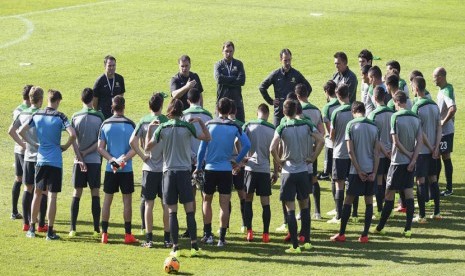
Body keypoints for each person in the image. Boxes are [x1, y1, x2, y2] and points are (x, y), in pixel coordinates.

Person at [145, 98, 211, 257]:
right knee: (189, 211)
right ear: (181, 111)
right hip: (184, 172)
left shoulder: (162, 128)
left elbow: (147, 147)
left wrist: (149, 130)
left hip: (168, 173)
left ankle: (175, 248)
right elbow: (207, 138)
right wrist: (201, 122)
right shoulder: (187, 126)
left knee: (172, 212)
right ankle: (194, 247)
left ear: (169, 111)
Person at [19, 89, 78, 240]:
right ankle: (50, 231)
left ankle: (31, 228)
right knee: (52, 196)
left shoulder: (37, 115)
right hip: (55, 162)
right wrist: (65, 146)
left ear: (48, 100)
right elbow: (72, 134)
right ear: (57, 101)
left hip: (40, 160)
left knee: (37, 194)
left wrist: (33, 144)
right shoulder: (60, 116)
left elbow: (20, 131)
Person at [195, 98, 251, 247]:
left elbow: (201, 150)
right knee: (224, 204)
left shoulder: (209, 124)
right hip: (226, 170)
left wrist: (198, 166)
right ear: (230, 110)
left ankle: (208, 235)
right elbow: (247, 145)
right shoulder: (234, 126)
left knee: (207, 201)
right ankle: (221, 238)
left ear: (217, 109)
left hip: (210, 170)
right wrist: (237, 160)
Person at [270, 100, 323, 253]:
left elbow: (272, 147)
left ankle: (294, 246)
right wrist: (312, 158)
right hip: (303, 171)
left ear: (284, 112)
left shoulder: (282, 127)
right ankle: (307, 241)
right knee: (305, 206)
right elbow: (321, 140)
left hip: (288, 172)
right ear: (296, 110)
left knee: (290, 210)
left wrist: (278, 161)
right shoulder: (306, 124)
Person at [372, 91, 422, 237]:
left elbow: (396, 142)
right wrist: (413, 159)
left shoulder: (395, 116)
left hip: (397, 161)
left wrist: (407, 154)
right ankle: (408, 229)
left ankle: (380, 227)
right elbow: (419, 142)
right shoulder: (415, 117)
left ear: (396, 102)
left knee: (389, 194)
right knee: (408, 192)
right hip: (410, 162)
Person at [331, 101, 380, 243]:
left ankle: (341, 233)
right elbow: (377, 153)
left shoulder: (351, 125)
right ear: (364, 110)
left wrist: (358, 171)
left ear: (353, 111)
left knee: (348, 200)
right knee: (369, 201)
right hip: (370, 169)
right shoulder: (374, 126)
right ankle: (364, 235)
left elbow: (350, 152)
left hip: (356, 171)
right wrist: (374, 173)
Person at [130, 92, 170, 248]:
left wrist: (143, 156)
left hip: (148, 168)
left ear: (149, 106)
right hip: (165, 169)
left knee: (148, 204)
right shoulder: (167, 121)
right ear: (161, 106)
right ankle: (167, 239)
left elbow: (132, 141)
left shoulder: (144, 121)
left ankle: (149, 239)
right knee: (166, 204)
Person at [98, 95, 138, 244]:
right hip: (126, 170)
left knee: (107, 200)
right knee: (127, 201)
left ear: (112, 107)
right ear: (124, 107)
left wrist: (112, 160)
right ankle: (128, 235)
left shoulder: (105, 124)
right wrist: (123, 160)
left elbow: (100, 148)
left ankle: (105, 234)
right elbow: (135, 148)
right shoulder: (130, 125)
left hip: (110, 169)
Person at [9, 87, 47, 232]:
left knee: (27, 188)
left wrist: (23, 144)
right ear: (40, 99)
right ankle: (41, 224)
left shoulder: (22, 113)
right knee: (42, 191)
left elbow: (12, 131)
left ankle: (26, 223)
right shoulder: (41, 114)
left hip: (27, 157)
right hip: (41, 157)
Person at [69, 88, 105, 238]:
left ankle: (73, 228)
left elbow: (72, 139)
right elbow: (100, 142)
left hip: (79, 161)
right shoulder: (100, 117)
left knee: (77, 192)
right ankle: (96, 229)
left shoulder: (75, 116)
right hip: (95, 160)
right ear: (92, 99)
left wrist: (80, 155)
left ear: (81, 99)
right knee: (95, 192)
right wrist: (87, 152)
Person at [180, 88, 213, 239]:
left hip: (188, 160)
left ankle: (190, 229)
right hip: (205, 162)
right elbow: (209, 138)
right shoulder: (208, 116)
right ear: (200, 98)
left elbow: (183, 139)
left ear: (188, 100)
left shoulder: (184, 116)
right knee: (206, 197)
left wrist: (192, 156)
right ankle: (207, 232)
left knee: (190, 196)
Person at [243, 104, 278, 242]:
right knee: (265, 203)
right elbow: (275, 152)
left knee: (248, 200)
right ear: (268, 114)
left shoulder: (249, 125)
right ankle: (266, 234)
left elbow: (236, 141)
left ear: (257, 112)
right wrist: (275, 171)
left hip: (250, 169)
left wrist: (242, 159)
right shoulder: (272, 129)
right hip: (264, 170)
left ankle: (250, 232)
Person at [411, 76, 442, 222]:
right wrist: (436, 147)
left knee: (421, 181)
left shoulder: (416, 107)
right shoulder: (434, 105)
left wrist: (430, 147)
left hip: (422, 151)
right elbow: (439, 128)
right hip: (434, 150)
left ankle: (422, 215)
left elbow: (419, 131)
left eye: (412, 86)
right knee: (433, 179)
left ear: (416, 88)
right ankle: (437, 212)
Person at [259, 48, 312, 126]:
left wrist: (301, 100)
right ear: (281, 59)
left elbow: (309, 88)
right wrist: (271, 101)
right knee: (277, 134)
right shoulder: (275, 74)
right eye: (285, 60)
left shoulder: (296, 74)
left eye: (289, 60)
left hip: (293, 113)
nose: (288, 63)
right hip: (279, 112)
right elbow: (262, 87)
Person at [295, 83, 325, 219]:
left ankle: (303, 211)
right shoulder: (317, 110)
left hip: (301, 150)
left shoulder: (298, 111)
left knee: (301, 180)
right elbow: (322, 132)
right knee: (313, 179)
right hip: (314, 149)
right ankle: (317, 212)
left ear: (297, 95)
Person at [327, 84, 353, 224]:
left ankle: (339, 215)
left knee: (339, 184)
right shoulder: (355, 110)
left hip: (339, 152)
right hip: (353, 153)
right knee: (352, 183)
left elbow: (332, 134)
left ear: (337, 95)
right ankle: (353, 214)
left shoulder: (336, 112)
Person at [367, 86, 394, 216]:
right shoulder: (392, 113)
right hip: (392, 153)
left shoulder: (373, 115)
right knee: (389, 180)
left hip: (379, 154)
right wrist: (390, 151)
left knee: (378, 180)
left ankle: (379, 210)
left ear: (374, 98)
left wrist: (384, 151)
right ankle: (391, 210)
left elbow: (375, 138)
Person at [8, 84, 33, 220]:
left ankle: (14, 211)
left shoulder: (17, 109)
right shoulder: (27, 111)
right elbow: (16, 130)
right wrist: (24, 144)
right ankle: (29, 214)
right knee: (29, 183)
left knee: (18, 179)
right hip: (25, 150)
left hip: (17, 149)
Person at [433, 67, 456, 197]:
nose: (433, 80)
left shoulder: (446, 90)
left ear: (440, 77)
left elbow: (452, 109)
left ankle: (448, 188)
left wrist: (443, 122)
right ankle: (439, 186)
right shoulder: (444, 89)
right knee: (441, 157)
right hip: (445, 131)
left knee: (443, 157)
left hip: (445, 131)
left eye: (435, 77)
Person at [318, 81, 339, 216]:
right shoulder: (344, 103)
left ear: (326, 92)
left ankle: (337, 208)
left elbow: (329, 130)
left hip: (333, 146)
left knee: (333, 177)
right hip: (346, 144)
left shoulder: (327, 108)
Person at [226, 101, 247, 233]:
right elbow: (246, 144)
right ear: (236, 111)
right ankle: (245, 225)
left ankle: (226, 226)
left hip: (227, 163)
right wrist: (240, 162)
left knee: (226, 195)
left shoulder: (222, 124)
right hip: (239, 163)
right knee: (242, 193)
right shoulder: (242, 125)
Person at [214, 41, 246, 122]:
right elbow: (219, 79)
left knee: (240, 126)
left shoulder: (239, 64)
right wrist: (234, 78)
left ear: (234, 51)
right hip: (222, 103)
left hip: (236, 102)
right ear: (222, 51)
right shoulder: (218, 64)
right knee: (220, 126)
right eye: (226, 51)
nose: (228, 53)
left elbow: (241, 81)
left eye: (230, 51)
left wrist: (226, 80)